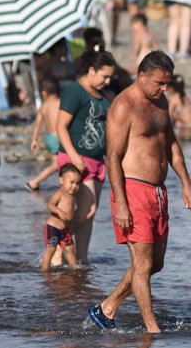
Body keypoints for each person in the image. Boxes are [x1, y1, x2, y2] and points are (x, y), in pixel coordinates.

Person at [86, 51, 191, 333]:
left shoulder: (160, 101)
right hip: (133, 190)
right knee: (142, 263)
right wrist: (121, 203)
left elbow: (171, 144)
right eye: (160, 83)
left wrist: (186, 182)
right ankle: (152, 329)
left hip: (158, 192)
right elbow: (112, 157)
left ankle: (107, 307)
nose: (164, 89)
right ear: (142, 77)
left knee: (154, 264)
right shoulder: (124, 106)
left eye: (167, 83)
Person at [55, 50, 116, 264]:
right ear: (91, 70)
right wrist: (74, 157)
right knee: (87, 210)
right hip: (76, 160)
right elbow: (60, 126)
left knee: (89, 215)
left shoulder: (101, 96)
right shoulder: (75, 91)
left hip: (97, 161)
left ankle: (81, 258)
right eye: (104, 76)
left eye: (110, 77)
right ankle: (55, 246)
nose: (107, 81)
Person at [41, 164, 82, 270]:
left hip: (64, 230)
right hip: (53, 228)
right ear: (61, 180)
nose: (74, 186)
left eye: (78, 183)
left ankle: (75, 268)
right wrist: (59, 211)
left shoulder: (73, 196)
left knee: (70, 248)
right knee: (51, 249)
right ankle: (44, 270)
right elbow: (50, 205)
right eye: (71, 182)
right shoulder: (60, 193)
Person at [25, 77, 61, 191]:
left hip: (49, 138)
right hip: (60, 137)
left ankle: (35, 182)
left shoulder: (43, 106)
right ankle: (34, 182)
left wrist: (34, 140)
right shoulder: (61, 103)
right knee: (63, 163)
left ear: (44, 93)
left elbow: (37, 125)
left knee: (56, 164)